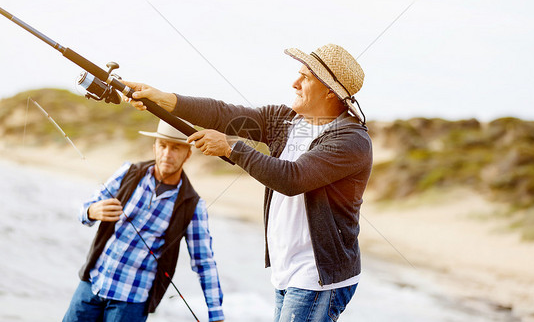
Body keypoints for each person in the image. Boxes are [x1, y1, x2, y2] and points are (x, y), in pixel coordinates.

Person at [126, 43, 372, 322]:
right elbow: (223, 115)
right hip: (285, 270)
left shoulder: (351, 140)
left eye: (305, 77)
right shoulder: (286, 120)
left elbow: (292, 178)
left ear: (330, 91)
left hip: (317, 275)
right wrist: (163, 99)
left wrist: (231, 148)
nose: (294, 83)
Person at [62, 120, 225, 322]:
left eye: (176, 148)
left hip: (131, 302)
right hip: (91, 285)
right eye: (163, 146)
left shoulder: (193, 205)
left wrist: (216, 314)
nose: (167, 154)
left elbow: (204, 263)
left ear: (188, 154)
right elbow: (85, 210)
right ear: (154, 147)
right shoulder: (128, 172)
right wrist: (91, 211)